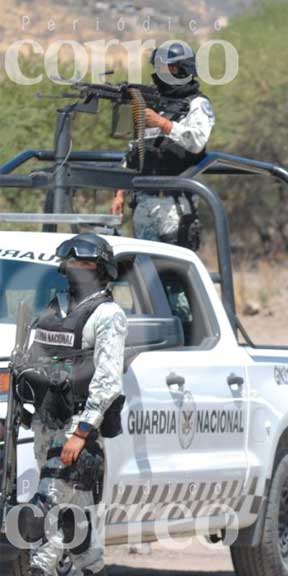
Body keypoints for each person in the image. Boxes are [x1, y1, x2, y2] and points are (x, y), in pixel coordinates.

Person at [13, 233, 126, 576]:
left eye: (86, 263)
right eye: (73, 262)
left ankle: (40, 568)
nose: (78, 268)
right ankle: (91, 567)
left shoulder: (107, 315)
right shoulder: (51, 309)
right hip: (45, 424)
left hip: (77, 427)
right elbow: (32, 364)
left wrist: (82, 431)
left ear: (102, 269)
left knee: (47, 503)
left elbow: (108, 382)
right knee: (71, 513)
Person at [111, 41, 215, 249]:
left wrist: (163, 124)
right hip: (144, 201)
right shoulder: (151, 103)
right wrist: (119, 193)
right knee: (145, 271)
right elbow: (135, 151)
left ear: (184, 69)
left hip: (176, 203)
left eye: (170, 67)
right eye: (159, 67)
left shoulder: (197, 104)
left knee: (175, 270)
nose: (163, 72)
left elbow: (197, 141)